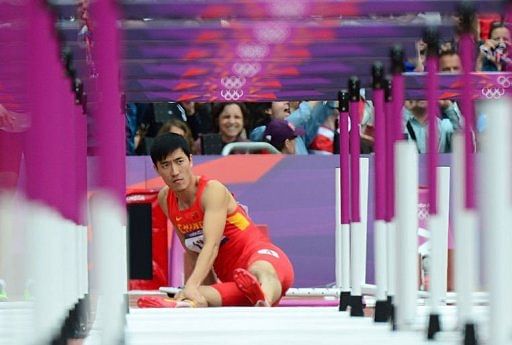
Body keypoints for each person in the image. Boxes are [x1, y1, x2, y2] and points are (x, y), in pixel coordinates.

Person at [150, 133, 294, 307]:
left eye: (179, 161)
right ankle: (178, 306)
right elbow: (193, 251)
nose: (174, 172)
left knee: (260, 271)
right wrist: (198, 293)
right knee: (196, 296)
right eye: (166, 165)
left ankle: (264, 300)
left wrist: (192, 285)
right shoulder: (166, 199)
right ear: (157, 169)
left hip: (264, 258)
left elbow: (211, 245)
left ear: (190, 160)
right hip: (236, 285)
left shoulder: (212, 190)